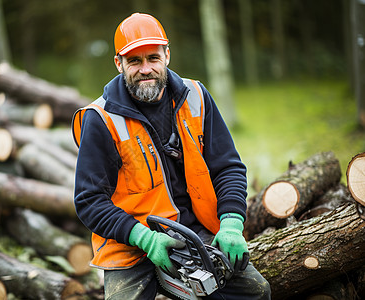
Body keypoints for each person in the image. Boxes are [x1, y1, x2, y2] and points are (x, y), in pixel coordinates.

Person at [72, 12, 271, 300]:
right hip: (130, 243)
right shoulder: (100, 119)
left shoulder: (197, 96)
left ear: (167, 55)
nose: (145, 68)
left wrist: (231, 222)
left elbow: (228, 167)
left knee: (257, 293)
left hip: (194, 230)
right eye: (134, 61)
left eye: (152, 58)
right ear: (119, 63)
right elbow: (88, 201)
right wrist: (143, 238)